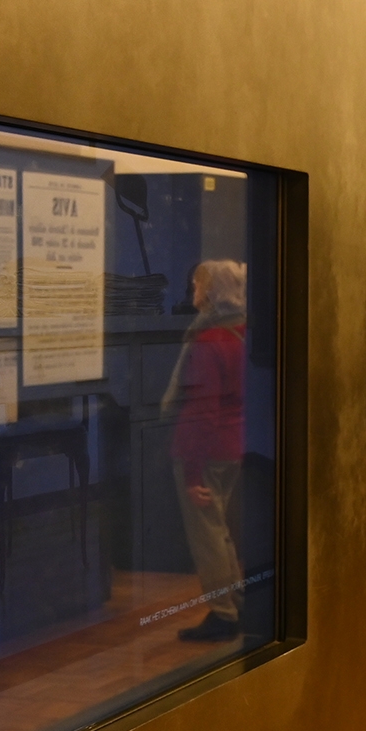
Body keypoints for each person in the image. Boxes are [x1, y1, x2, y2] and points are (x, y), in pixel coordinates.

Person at [164, 259, 250, 645]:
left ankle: (223, 611)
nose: (193, 294)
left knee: (207, 536)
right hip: (234, 444)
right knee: (222, 532)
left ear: (213, 294)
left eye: (198, 286)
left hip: (207, 450)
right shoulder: (243, 333)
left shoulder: (208, 340)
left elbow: (202, 409)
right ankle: (237, 601)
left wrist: (194, 473)